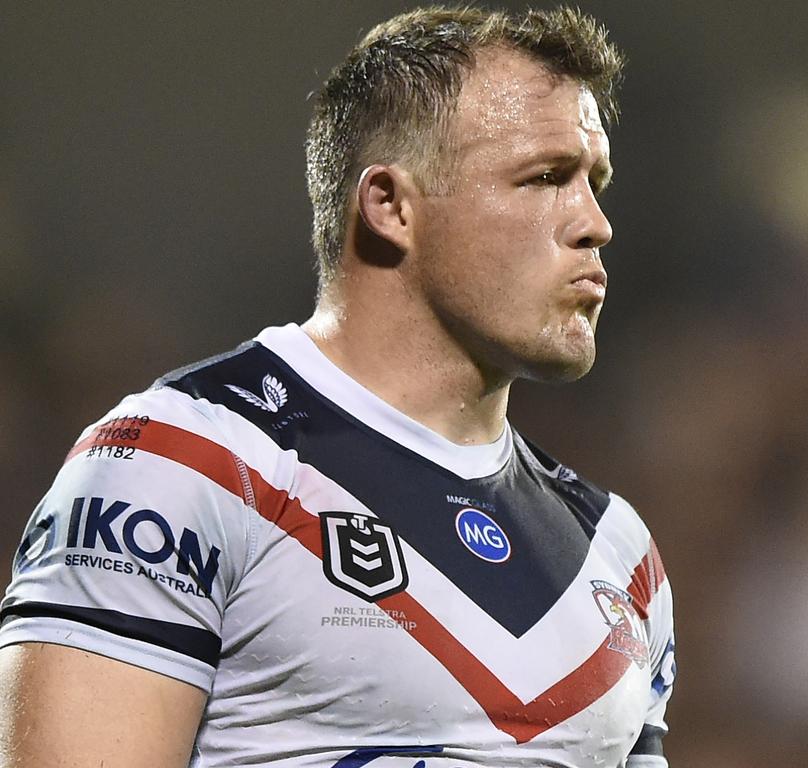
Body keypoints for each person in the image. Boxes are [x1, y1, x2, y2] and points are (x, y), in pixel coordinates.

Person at [0, 6, 674, 767]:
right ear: (389, 206)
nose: (594, 223)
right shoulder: (180, 463)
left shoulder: (618, 556)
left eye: (595, 182)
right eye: (545, 177)